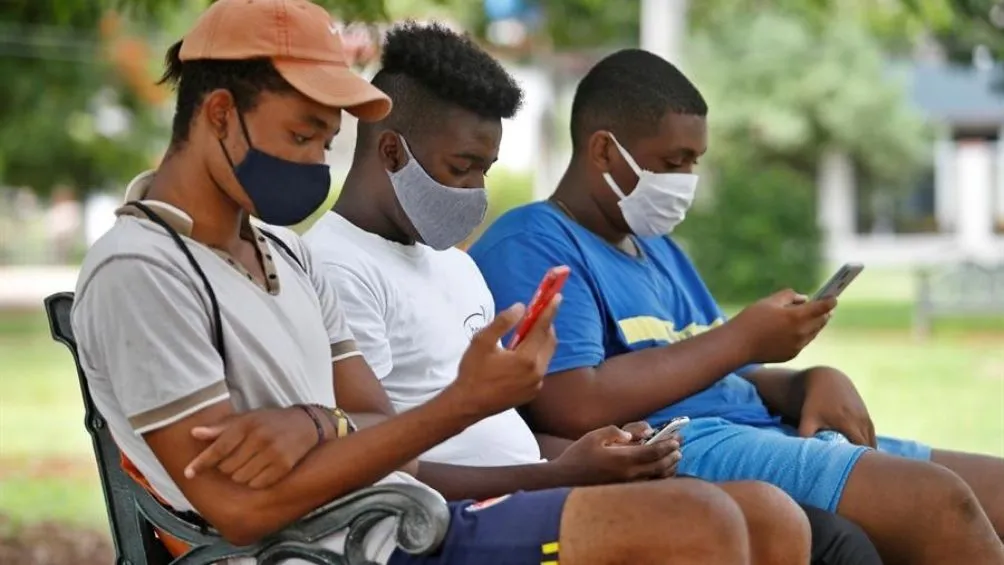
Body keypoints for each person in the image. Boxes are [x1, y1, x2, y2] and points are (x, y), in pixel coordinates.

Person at [69, 3, 763, 564]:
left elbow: (380, 423)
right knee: (692, 521)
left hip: (395, 520)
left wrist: (315, 421)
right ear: (219, 113)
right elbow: (242, 509)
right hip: (345, 542)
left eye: (326, 140)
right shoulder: (143, 270)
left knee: (760, 518)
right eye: (303, 135)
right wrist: (464, 400)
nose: (317, 163)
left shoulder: (285, 252)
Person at [304, 22, 878, 565]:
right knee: (706, 516)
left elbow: (505, 432)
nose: (479, 191)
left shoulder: (451, 265)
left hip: (527, 486)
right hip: (437, 519)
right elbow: (377, 464)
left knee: (770, 514)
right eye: (463, 168)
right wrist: (552, 476)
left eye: (488, 168)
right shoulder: (336, 265)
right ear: (391, 153)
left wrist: (590, 455)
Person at [469, 48, 1004, 565]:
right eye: (672, 162)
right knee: (937, 502)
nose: (685, 181)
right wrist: (743, 337)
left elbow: (734, 370)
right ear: (604, 151)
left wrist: (807, 381)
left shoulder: (658, 250)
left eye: (694, 162)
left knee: (996, 490)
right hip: (685, 443)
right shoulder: (533, 241)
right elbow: (572, 404)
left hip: (767, 425)